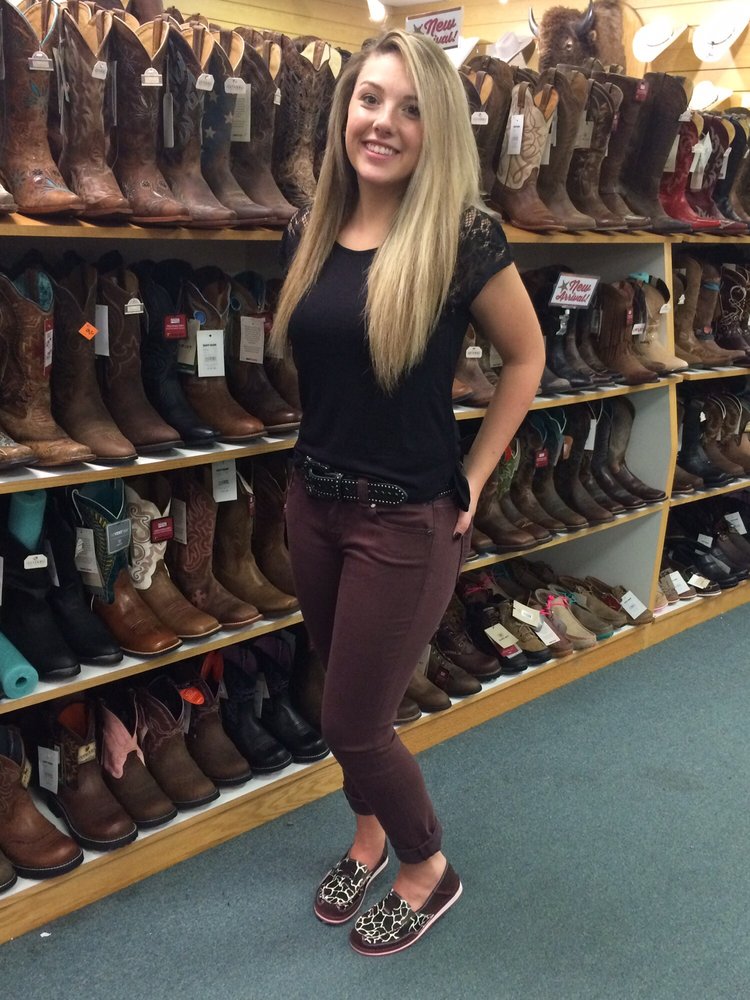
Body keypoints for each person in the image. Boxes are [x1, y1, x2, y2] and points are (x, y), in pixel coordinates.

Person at [271, 29, 545, 956]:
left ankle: (428, 866)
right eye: (370, 99)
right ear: (345, 109)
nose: (383, 122)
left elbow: (527, 357)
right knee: (338, 693)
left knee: (355, 722)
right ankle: (369, 836)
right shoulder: (306, 229)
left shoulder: (463, 238)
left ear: (439, 131)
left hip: (407, 518)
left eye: (411, 109)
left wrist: (476, 472)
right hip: (313, 503)